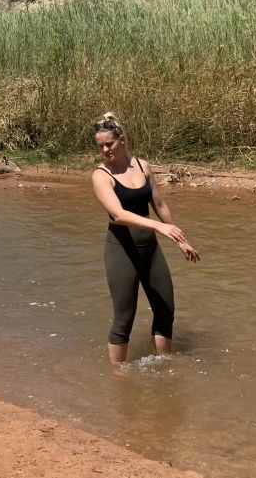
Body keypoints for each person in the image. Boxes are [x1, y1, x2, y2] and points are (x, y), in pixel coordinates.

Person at [91, 112, 199, 365]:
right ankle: (118, 376)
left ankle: (164, 364)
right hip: (121, 250)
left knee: (166, 309)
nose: (106, 149)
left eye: (110, 143)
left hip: (149, 249)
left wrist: (179, 238)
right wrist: (158, 228)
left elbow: (159, 204)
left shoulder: (142, 166)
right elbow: (118, 215)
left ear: (123, 140)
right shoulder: (100, 176)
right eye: (100, 146)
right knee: (124, 318)